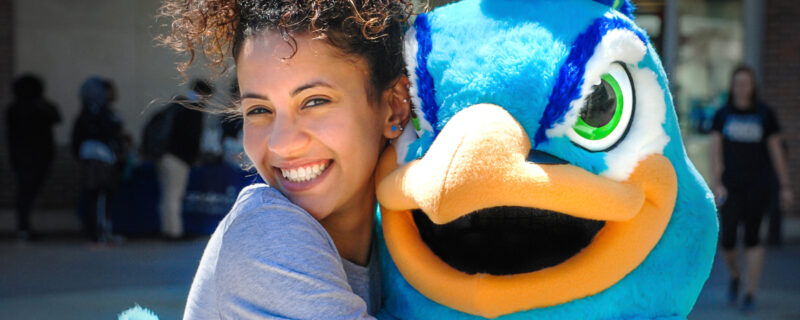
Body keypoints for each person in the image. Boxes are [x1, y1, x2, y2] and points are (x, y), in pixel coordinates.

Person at [160, 0, 413, 318]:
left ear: (395, 106)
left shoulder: (398, 240)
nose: (282, 144)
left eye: (314, 101)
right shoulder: (267, 232)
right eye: (259, 110)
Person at [710, 65, 793, 312]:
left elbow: (776, 151)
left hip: (759, 185)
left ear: (753, 86)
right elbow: (716, 151)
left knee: (753, 238)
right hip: (730, 187)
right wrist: (717, 183)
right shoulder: (722, 114)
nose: (742, 87)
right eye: (738, 83)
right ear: (732, 86)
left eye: (746, 83)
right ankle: (736, 274)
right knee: (727, 240)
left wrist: (785, 185)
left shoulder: (765, 114)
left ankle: (750, 292)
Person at [6, 74, 61, 241]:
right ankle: (24, 228)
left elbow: (56, 117)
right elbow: (55, 117)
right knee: (26, 193)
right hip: (34, 157)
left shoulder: (16, 108)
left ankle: (24, 227)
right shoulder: (34, 107)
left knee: (26, 193)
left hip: (25, 157)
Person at [71, 77, 126, 243]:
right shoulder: (99, 113)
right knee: (99, 196)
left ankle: (98, 232)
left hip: (93, 158)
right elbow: (109, 132)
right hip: (100, 159)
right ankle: (99, 233)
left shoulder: (90, 112)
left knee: (94, 196)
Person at [157, 79, 211, 240]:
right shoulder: (194, 110)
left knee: (167, 195)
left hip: (165, 155)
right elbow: (192, 138)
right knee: (174, 195)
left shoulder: (179, 106)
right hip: (178, 158)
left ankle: (168, 230)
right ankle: (174, 232)